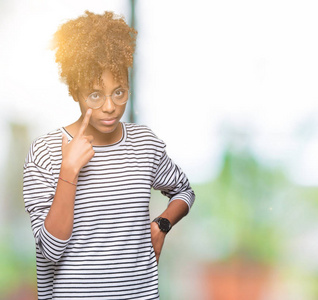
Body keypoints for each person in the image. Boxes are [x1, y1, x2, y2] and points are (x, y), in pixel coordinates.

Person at [23, 11, 195, 300]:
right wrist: (69, 172)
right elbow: (51, 250)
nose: (110, 106)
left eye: (119, 92)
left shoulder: (144, 144)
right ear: (75, 90)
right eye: (94, 94)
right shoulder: (45, 152)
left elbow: (183, 191)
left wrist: (162, 225)